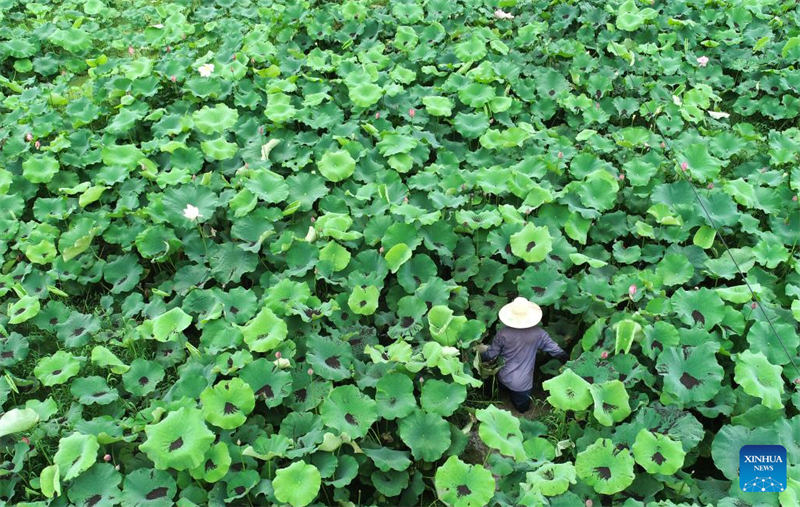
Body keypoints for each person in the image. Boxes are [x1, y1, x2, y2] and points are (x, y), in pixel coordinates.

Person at [476, 297, 568, 413]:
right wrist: (568, 361)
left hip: (503, 376)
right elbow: (556, 351)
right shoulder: (539, 334)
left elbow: (491, 355)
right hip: (522, 383)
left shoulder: (503, 333)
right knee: (522, 409)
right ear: (530, 316)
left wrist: (478, 356)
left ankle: (498, 396)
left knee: (500, 391)